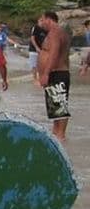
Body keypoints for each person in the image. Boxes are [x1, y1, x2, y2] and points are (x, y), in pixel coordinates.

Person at [37, 11, 72, 142]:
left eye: (42, 19)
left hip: (57, 73)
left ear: (48, 19)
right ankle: (57, 134)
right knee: (56, 108)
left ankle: (61, 136)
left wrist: (45, 73)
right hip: (56, 73)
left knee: (60, 107)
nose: (41, 23)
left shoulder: (55, 32)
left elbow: (54, 53)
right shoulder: (58, 32)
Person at [27, 18, 48, 84]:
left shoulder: (46, 29)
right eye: (41, 20)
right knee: (34, 65)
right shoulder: (35, 28)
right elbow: (32, 38)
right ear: (38, 21)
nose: (42, 22)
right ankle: (34, 79)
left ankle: (41, 78)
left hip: (43, 49)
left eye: (43, 20)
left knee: (42, 64)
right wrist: (36, 47)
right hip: (33, 49)